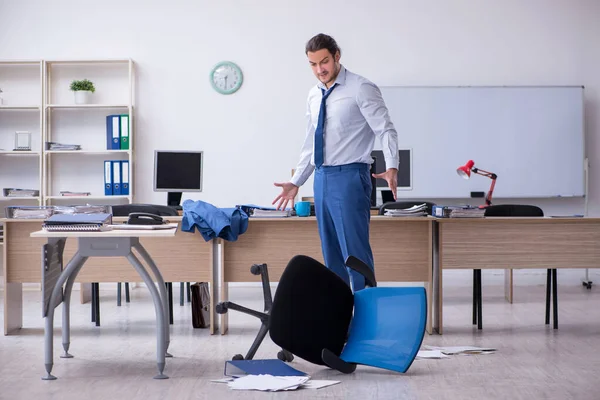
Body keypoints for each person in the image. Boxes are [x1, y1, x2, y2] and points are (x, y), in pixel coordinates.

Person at [272, 33, 399, 291]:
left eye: (324, 61)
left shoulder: (360, 88)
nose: (320, 69)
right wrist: (297, 181)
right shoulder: (313, 95)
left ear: (337, 56)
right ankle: (339, 321)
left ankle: (366, 319)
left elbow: (385, 130)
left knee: (355, 255)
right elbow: (311, 143)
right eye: (313, 64)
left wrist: (392, 165)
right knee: (331, 256)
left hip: (351, 176)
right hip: (321, 179)